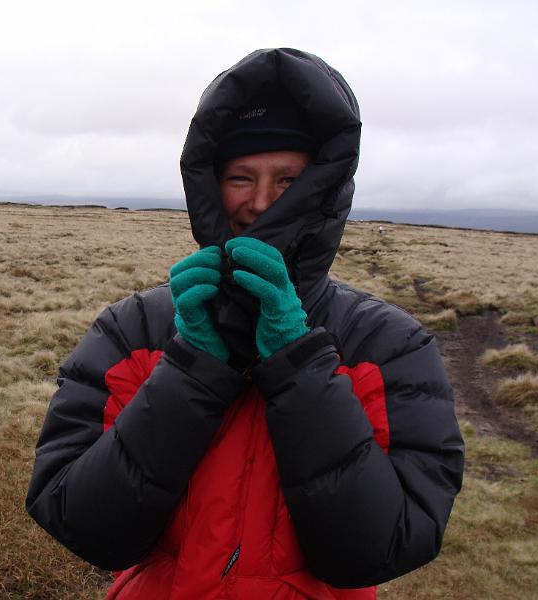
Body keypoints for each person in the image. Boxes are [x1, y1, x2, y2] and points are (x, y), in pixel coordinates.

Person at [25, 48, 464, 600]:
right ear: (209, 185)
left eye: (288, 180)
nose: (260, 203)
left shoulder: (391, 345)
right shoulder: (130, 330)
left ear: (326, 192)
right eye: (240, 177)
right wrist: (191, 369)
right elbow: (84, 528)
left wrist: (299, 364)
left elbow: (377, 549)